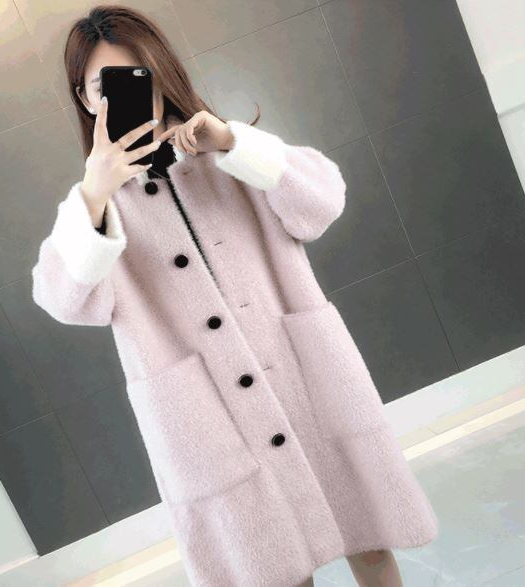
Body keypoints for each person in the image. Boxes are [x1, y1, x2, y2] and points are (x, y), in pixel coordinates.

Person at [31, 5, 438, 587]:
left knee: (370, 538)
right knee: (277, 570)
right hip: (209, 419)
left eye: (139, 74)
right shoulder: (96, 208)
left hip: (306, 379)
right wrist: (94, 194)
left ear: (162, 72)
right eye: (106, 85)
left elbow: (322, 200)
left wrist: (231, 142)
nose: (128, 95)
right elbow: (65, 300)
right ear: (86, 98)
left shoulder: (233, 157)